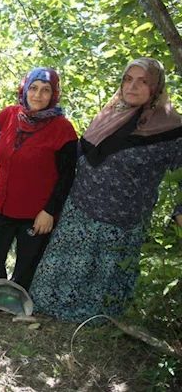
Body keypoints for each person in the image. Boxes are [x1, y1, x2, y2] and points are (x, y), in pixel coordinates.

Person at [30, 58, 182, 321]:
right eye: (128, 79)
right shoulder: (110, 114)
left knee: (102, 293)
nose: (133, 86)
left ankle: (98, 321)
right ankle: (51, 308)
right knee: (52, 284)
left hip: (121, 221)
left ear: (155, 86)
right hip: (79, 210)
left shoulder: (171, 129)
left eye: (142, 81)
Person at [0, 68, 78, 291]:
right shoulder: (8, 115)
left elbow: (67, 176)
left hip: (37, 211)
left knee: (27, 260)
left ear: (54, 95)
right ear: (24, 90)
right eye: (33, 88)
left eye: (45, 90)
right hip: (2, 202)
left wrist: (50, 211)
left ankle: (17, 296)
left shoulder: (63, 129)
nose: (38, 95)